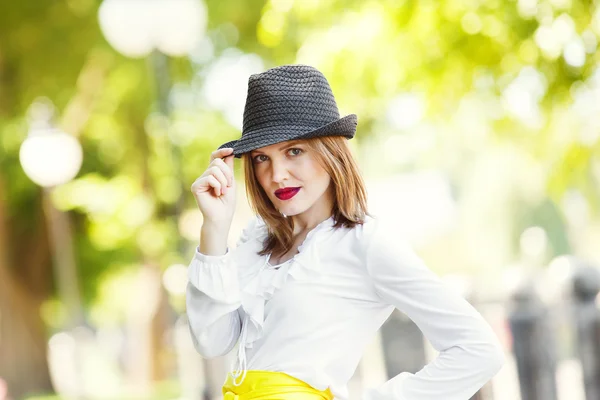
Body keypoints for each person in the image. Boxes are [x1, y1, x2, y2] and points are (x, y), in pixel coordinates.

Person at [186, 64, 505, 400]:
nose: (276, 174)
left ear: (330, 153)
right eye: (262, 158)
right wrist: (215, 229)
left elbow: (479, 350)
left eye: (294, 151)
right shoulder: (257, 240)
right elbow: (212, 342)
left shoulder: (364, 242)